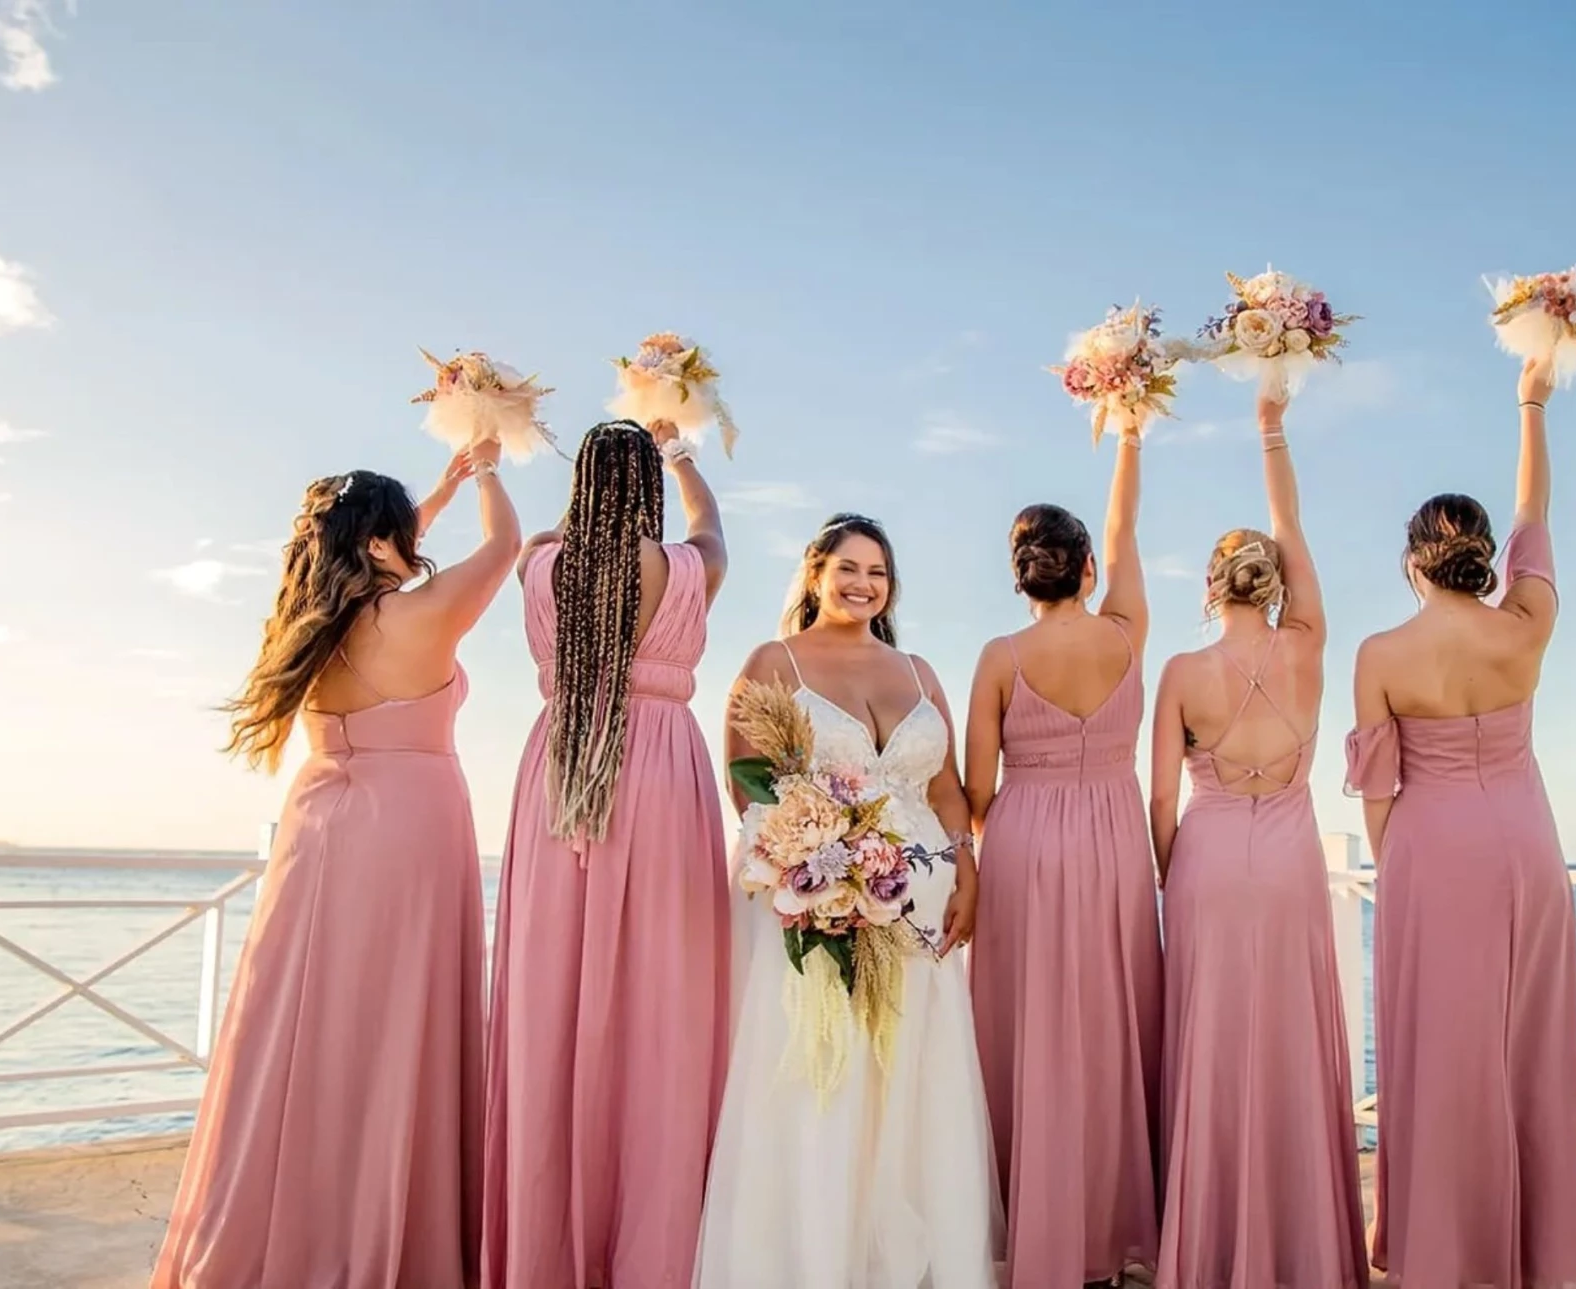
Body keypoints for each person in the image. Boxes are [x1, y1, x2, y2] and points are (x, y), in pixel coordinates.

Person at [154, 441, 516, 1289]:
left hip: (317, 829)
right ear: (386, 544)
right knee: (394, 1025)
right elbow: (504, 547)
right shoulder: (418, 617)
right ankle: (383, 1227)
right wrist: (490, 473)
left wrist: (440, 490)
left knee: (306, 1026)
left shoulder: (307, 626)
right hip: (410, 833)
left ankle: (281, 1219)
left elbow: (371, 554)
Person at [694, 513, 1002, 1289]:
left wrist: (965, 870)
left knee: (911, 1076)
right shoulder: (775, 659)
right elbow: (745, 783)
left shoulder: (921, 670)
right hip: (817, 905)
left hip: (919, 906)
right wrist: (815, 866)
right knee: (823, 1072)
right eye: (850, 568)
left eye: (879, 572)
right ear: (815, 570)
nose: (865, 583)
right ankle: (815, 1259)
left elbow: (944, 787)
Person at [1345, 356, 1576, 1289]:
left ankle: (1444, 1253)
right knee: (1529, 1050)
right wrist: (1531, 402)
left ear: (1412, 561)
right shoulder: (1526, 619)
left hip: (1430, 852)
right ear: (1483, 554)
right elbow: (1537, 514)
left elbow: (1376, 788)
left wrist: (1397, 859)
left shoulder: (1381, 652)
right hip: (1528, 845)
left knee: (1441, 1055)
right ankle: (1538, 1257)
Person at [481, 420, 732, 1289]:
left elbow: (541, 538)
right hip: (663, 771)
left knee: (552, 991)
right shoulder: (689, 569)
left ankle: (552, 1236)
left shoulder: (543, 567)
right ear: (648, 490)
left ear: (582, 484)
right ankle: (655, 1236)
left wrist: (572, 519)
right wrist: (682, 452)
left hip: (561, 768)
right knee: (664, 995)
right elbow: (712, 529)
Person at [1148, 392, 1369, 1289]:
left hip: (1205, 862)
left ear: (1209, 586)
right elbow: (1292, 520)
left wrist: (1175, 878)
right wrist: (1271, 427)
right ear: (1276, 583)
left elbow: (1158, 797)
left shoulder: (1182, 671)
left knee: (1210, 1044)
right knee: (1289, 1042)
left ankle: (1207, 1245)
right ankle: (1300, 1244)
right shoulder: (1310, 647)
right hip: (1287, 863)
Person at [964, 427, 1161, 1288]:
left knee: (1027, 1028)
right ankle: (1118, 1227)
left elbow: (974, 788)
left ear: (1020, 575)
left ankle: (1032, 1221)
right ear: (1085, 569)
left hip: (1024, 842)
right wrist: (1128, 434)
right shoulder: (1126, 632)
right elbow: (1126, 528)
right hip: (1116, 837)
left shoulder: (1000, 657)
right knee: (1113, 1023)